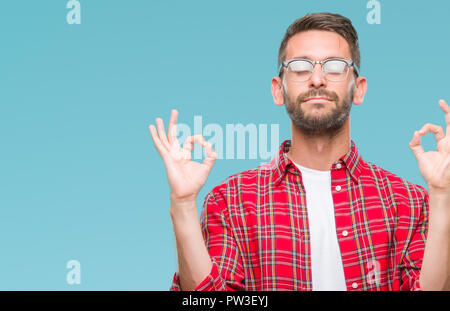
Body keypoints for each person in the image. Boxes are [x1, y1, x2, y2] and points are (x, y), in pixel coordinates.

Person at [149, 12, 450, 291]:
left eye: (334, 67)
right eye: (300, 67)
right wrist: (183, 204)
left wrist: (443, 194)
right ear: (278, 89)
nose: (317, 79)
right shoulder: (231, 202)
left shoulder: (409, 202)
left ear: (358, 89)